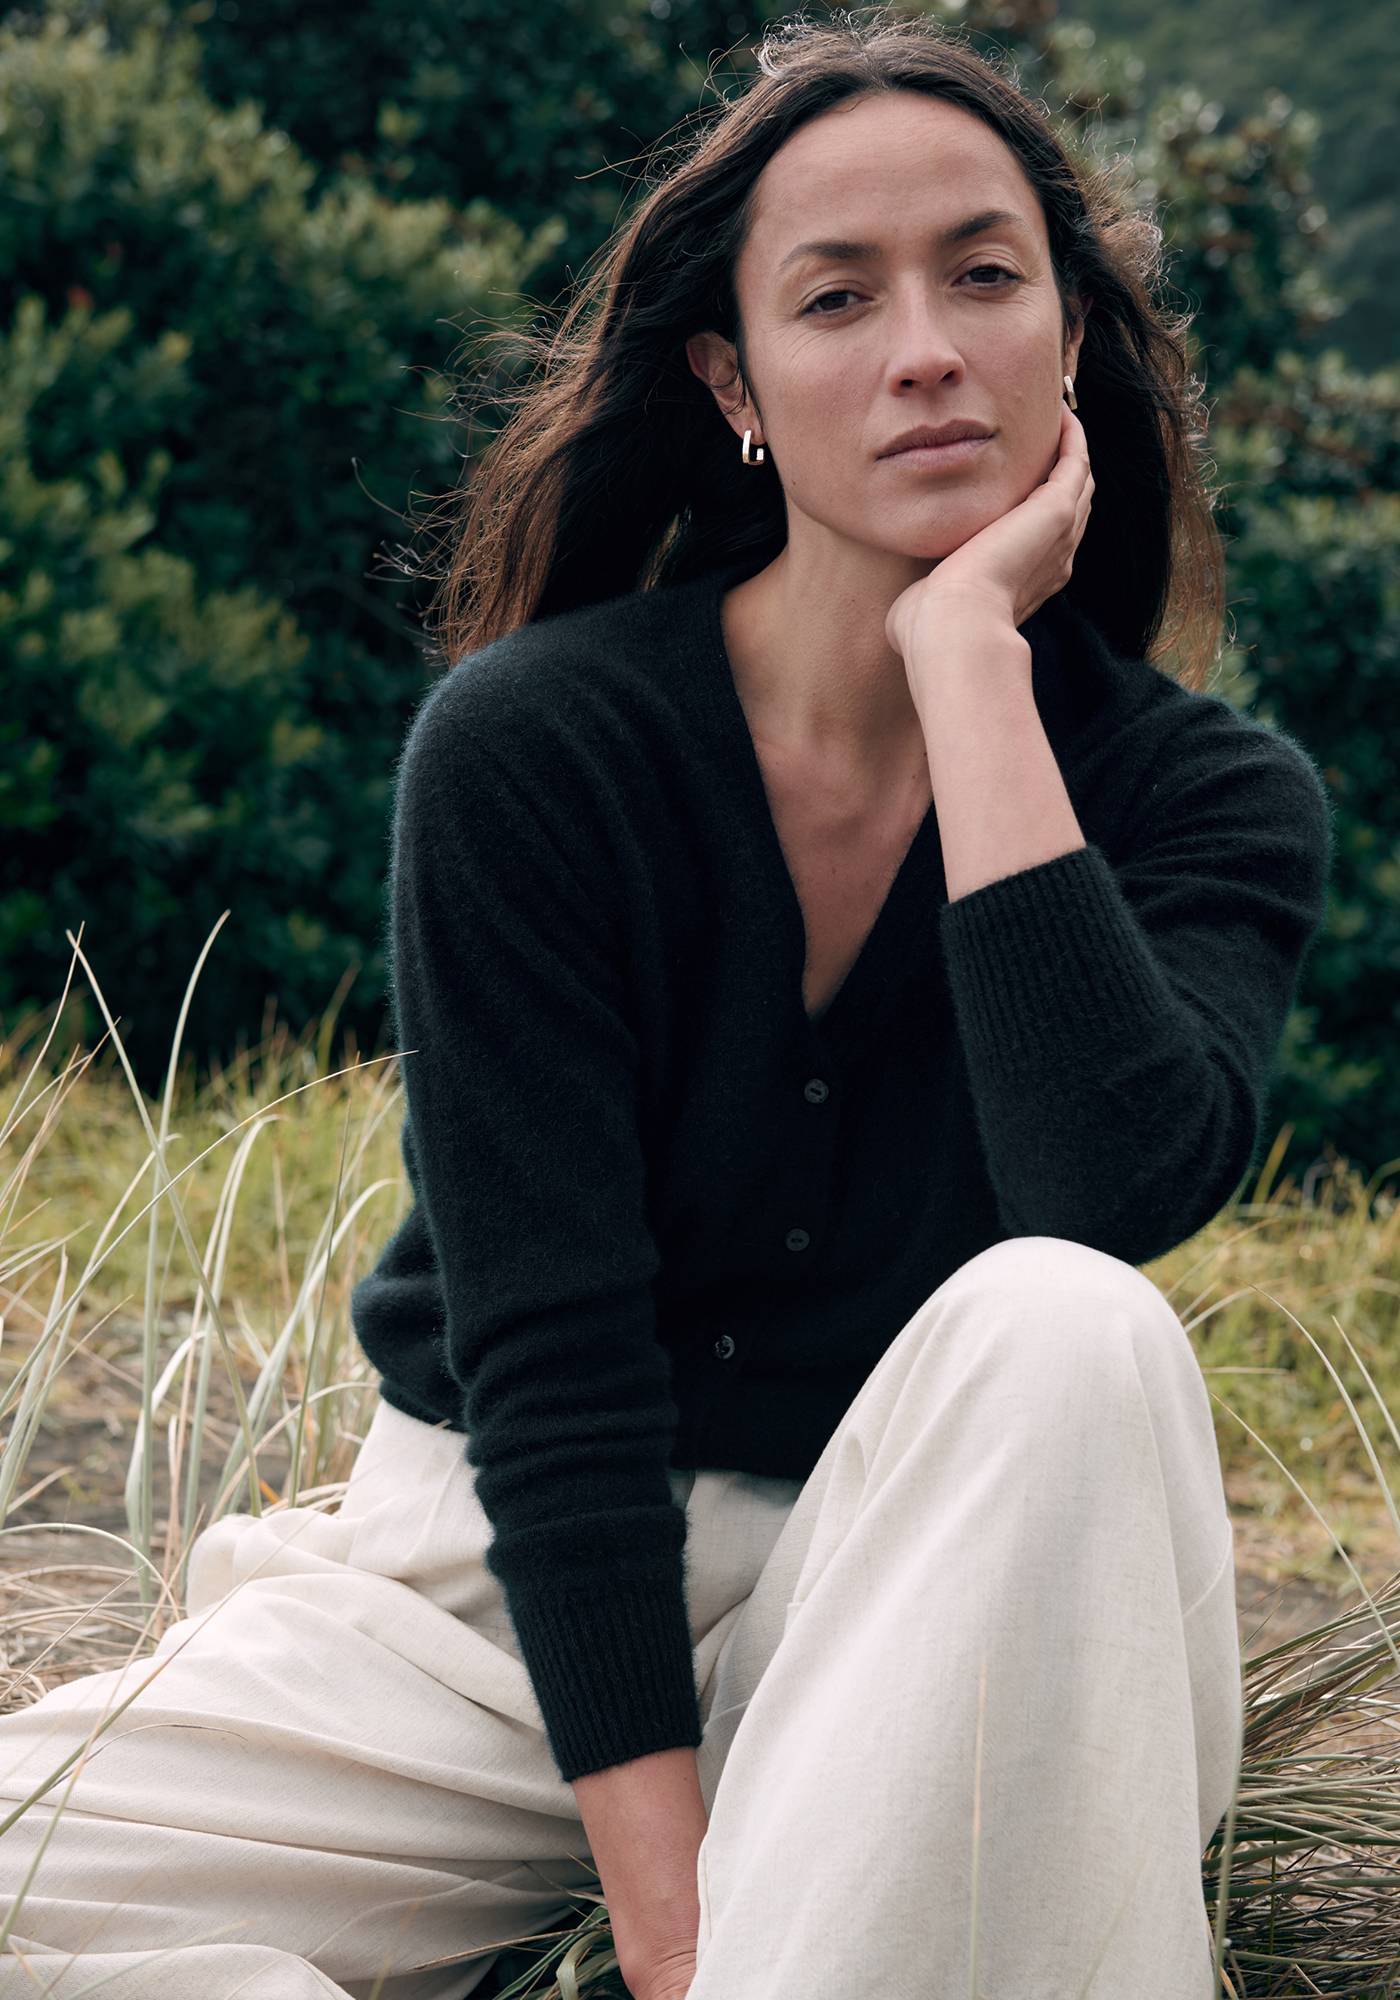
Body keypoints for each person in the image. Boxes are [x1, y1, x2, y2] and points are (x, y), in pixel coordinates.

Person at [0, 11, 1333, 1999]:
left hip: (949, 1585)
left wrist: (972, 658)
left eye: (984, 276)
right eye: (836, 297)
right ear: (729, 379)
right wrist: (674, 1930)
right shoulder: (538, 746)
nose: (923, 348)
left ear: (1071, 334)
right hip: (492, 1607)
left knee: (1071, 1324)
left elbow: (1100, 1185)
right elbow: (553, 1356)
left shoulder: (1206, 799)